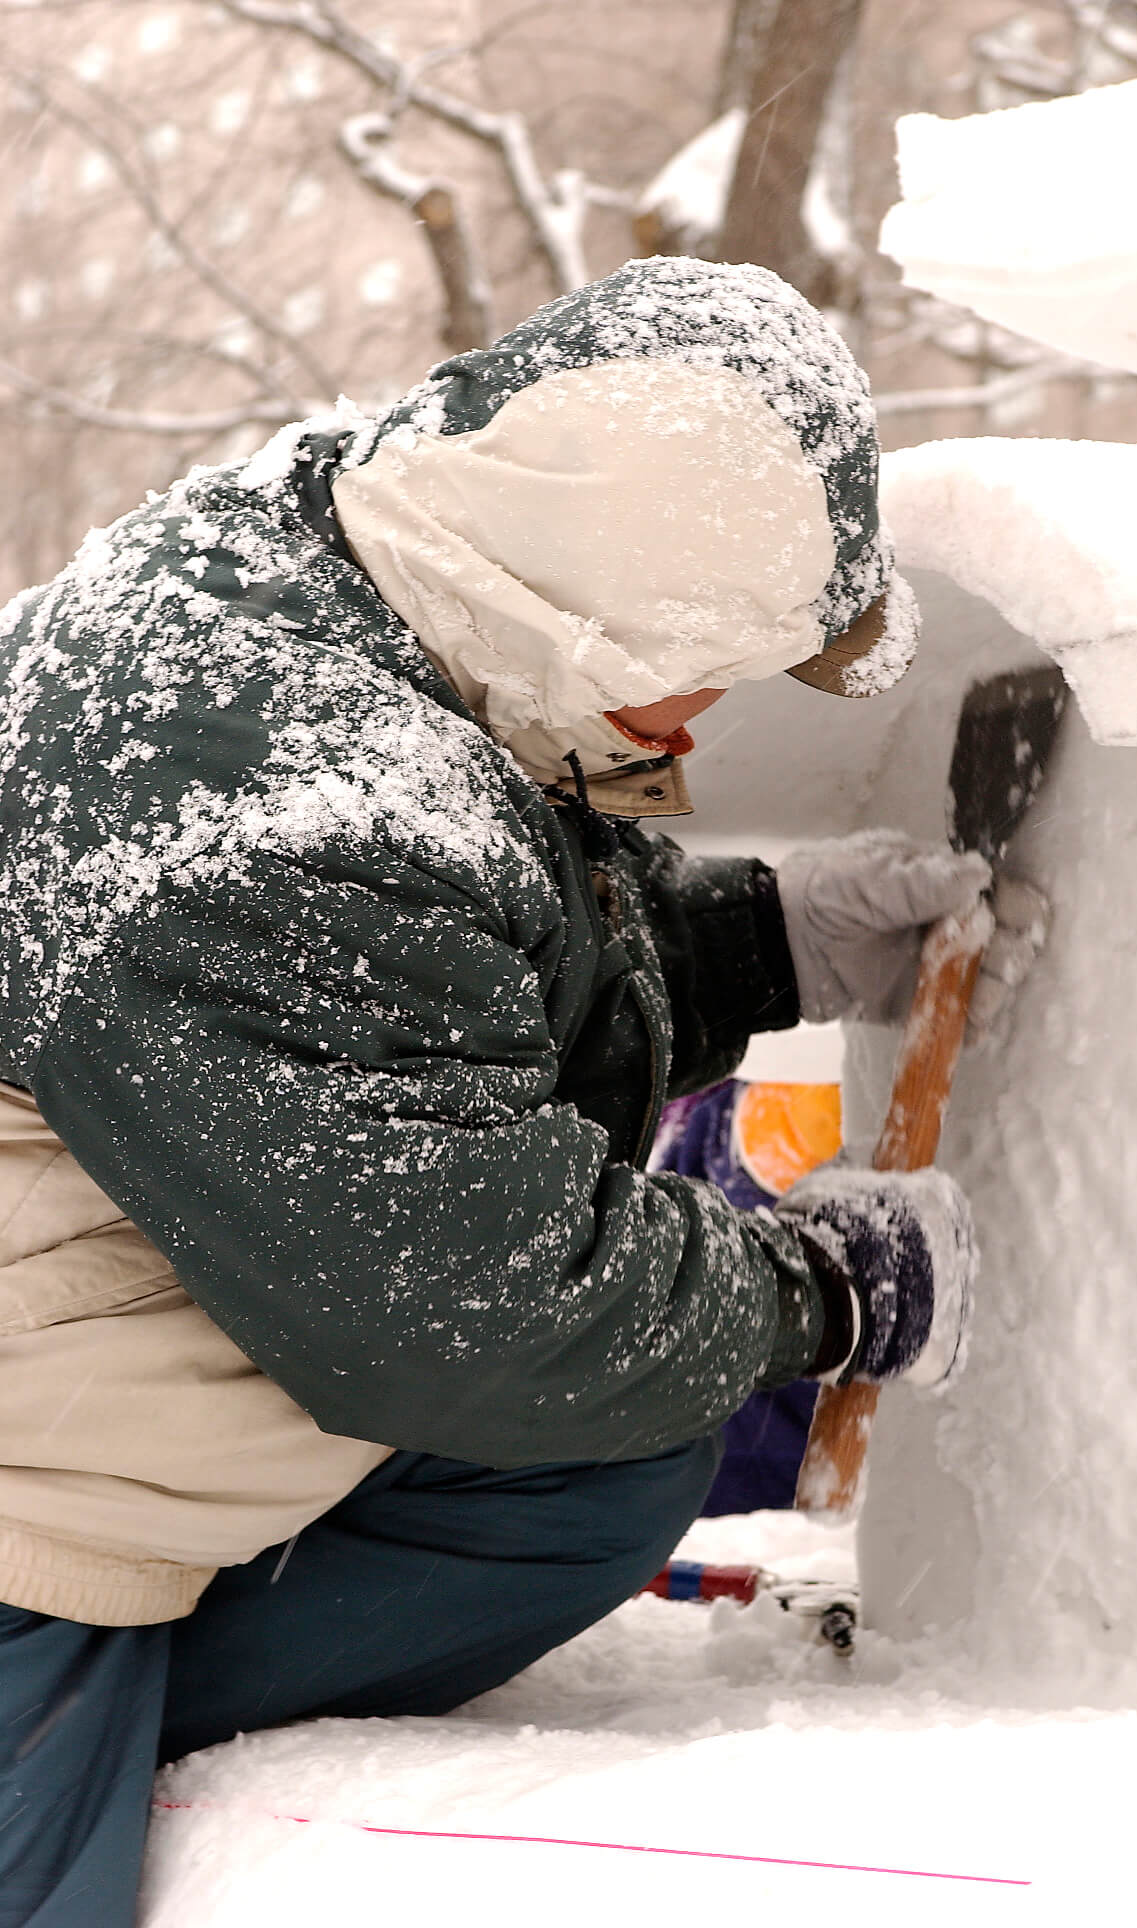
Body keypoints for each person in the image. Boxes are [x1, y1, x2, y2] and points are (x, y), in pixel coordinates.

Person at [0, 256, 1041, 1925]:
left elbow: (403, 1015)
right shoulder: (286, 812)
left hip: (111, 1313)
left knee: (607, 1455)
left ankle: (157, 1688)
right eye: (709, 667)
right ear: (598, 611)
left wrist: (757, 947)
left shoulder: (365, 574)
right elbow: (474, 1300)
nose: (702, 723)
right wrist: (820, 1297)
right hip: (20, 1502)